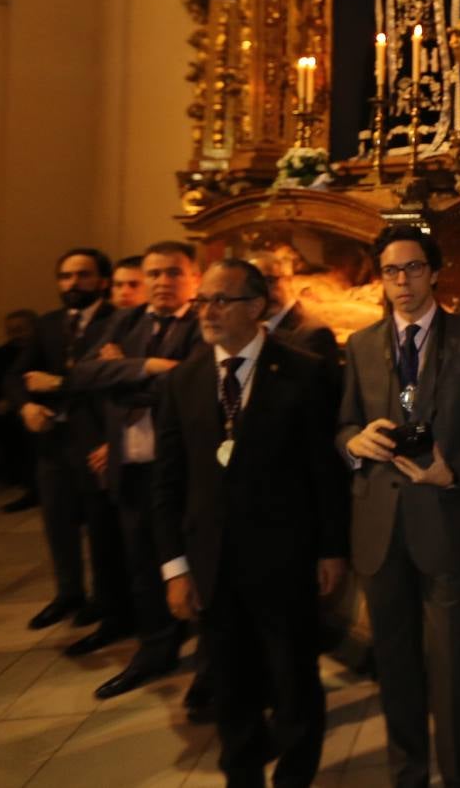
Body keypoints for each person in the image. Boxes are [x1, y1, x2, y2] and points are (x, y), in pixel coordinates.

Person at [153, 259, 348, 788]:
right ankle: (241, 775)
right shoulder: (183, 381)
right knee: (232, 684)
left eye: (221, 300)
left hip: (285, 561)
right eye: (202, 301)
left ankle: (294, 775)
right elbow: (168, 485)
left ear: (256, 306)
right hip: (212, 565)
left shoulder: (306, 373)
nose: (208, 312)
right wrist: (174, 568)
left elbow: (324, 473)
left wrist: (331, 549)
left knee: (294, 682)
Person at [337, 224, 460, 788]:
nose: (403, 281)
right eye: (391, 271)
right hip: (379, 527)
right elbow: (342, 423)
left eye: (413, 268)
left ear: (434, 272)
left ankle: (459, 774)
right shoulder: (361, 344)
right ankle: (407, 771)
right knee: (394, 663)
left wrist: (453, 469)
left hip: (443, 521)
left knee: (451, 665)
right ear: (380, 279)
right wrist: (351, 442)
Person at [63, 240, 205, 695]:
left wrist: (122, 375)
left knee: (197, 566)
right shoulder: (127, 320)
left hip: (183, 472)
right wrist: (146, 365)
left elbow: (192, 387)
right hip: (133, 467)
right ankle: (155, 650)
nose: (163, 282)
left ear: (193, 279)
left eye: (173, 273)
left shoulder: (204, 323)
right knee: (143, 567)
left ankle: (211, 666)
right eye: (155, 274)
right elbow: (83, 375)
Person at [6, 250, 118, 630]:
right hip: (54, 443)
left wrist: (59, 385)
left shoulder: (118, 320)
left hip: (96, 440)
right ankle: (68, 593)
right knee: (57, 522)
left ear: (102, 281)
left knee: (102, 527)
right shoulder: (49, 324)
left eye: (83, 275)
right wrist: (25, 407)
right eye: (66, 276)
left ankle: (105, 598)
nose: (73, 284)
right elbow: (16, 376)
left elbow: (111, 378)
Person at [0, 310, 40, 512]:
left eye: (21, 330)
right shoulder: (3, 354)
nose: (16, 335)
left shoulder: (43, 348)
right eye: (11, 331)